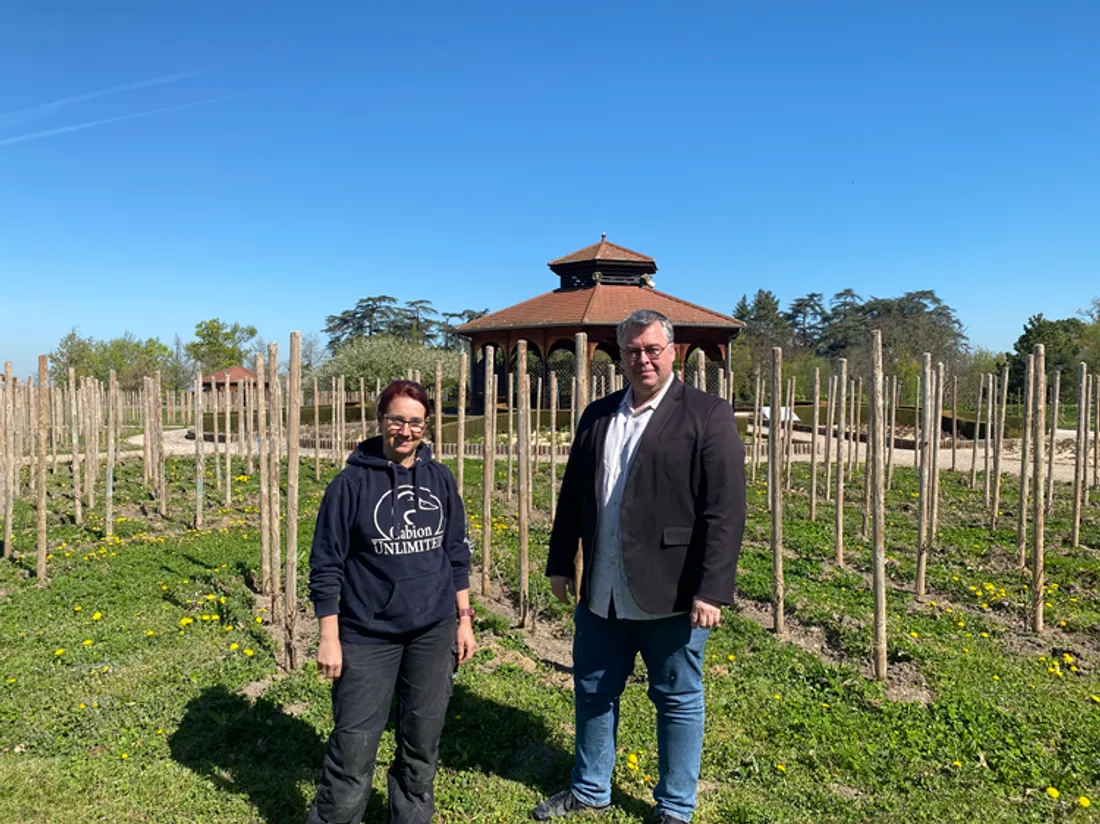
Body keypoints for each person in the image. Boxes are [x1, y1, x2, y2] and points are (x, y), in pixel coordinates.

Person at [532, 310, 745, 824]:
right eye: (632, 351)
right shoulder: (598, 414)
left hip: (671, 589)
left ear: (673, 351)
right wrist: (562, 562)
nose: (642, 359)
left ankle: (674, 807)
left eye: (652, 349)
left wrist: (712, 590)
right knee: (592, 688)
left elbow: (726, 509)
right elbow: (574, 495)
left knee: (677, 698)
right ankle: (589, 788)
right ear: (620, 355)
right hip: (602, 587)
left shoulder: (707, 414)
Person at [306, 379, 477, 824]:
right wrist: (329, 637)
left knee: (421, 744)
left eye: (415, 422)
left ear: (427, 425)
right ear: (381, 421)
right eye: (397, 420)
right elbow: (326, 564)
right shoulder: (349, 485)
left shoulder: (440, 478)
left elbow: (455, 551)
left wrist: (463, 619)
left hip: (433, 630)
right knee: (353, 749)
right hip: (367, 635)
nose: (406, 430)